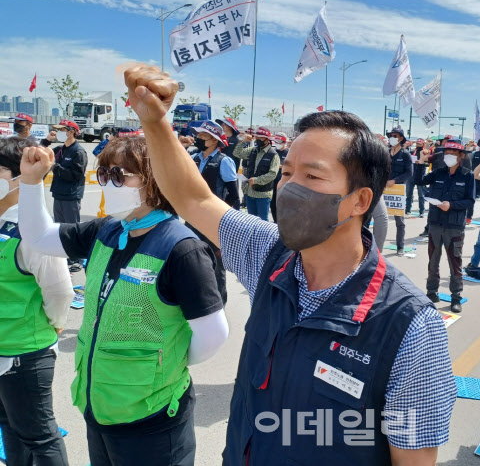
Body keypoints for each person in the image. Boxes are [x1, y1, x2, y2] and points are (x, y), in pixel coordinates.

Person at [123, 64, 456, 465]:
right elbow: (194, 199)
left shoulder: (409, 325)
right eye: (287, 173)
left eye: (312, 176)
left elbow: (414, 460)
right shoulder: (270, 254)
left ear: (360, 201)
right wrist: (156, 122)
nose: (290, 187)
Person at [18, 136, 229, 466]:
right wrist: (31, 184)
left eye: (119, 175)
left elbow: (213, 333)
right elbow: (40, 237)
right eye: (103, 175)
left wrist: (165, 363)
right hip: (100, 406)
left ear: (154, 177)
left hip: (152, 417)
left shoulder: (182, 249)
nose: (109, 184)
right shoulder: (108, 230)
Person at [0, 137, 73, 466]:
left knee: (40, 436)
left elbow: (59, 291)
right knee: (9, 427)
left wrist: (56, 324)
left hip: (24, 354)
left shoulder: (31, 232)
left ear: (19, 177)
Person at [414, 139, 475, 312]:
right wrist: (421, 161)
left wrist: (451, 205)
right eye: (446, 153)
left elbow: (469, 201)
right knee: (433, 261)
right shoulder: (438, 173)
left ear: (460, 156)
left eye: (453, 153)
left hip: (454, 226)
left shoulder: (467, 175)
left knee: (454, 262)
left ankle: (456, 297)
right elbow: (419, 181)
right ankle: (432, 292)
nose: (448, 156)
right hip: (435, 223)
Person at [190, 119, 239, 307]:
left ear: (214, 140)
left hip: (215, 221)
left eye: (203, 135)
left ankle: (218, 305)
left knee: (216, 265)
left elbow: (233, 196)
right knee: (194, 260)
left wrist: (227, 223)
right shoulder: (194, 158)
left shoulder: (224, 161)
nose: (198, 138)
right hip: (193, 218)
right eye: (198, 135)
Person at [46, 120, 88, 272]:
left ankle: (76, 260)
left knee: (72, 228)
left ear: (71, 132)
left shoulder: (79, 152)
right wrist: (46, 141)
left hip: (71, 195)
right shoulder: (59, 149)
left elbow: (75, 175)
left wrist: (55, 167)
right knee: (59, 227)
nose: (59, 133)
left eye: (62, 130)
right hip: (58, 193)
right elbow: (41, 150)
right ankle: (63, 256)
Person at [234, 127, 279, 221]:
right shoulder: (252, 150)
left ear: (267, 140)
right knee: (251, 220)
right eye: (257, 137)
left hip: (263, 194)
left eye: (261, 138)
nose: (258, 140)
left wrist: (256, 180)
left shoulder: (273, 155)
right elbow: (237, 153)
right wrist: (243, 141)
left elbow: (272, 174)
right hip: (250, 192)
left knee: (263, 221)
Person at [386, 127, 413, 256]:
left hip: (398, 190)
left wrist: (395, 181)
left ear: (401, 138)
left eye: (395, 135)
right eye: (391, 135)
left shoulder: (405, 154)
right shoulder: (385, 152)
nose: (392, 138)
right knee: (378, 217)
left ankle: (400, 246)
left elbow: (409, 173)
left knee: (399, 221)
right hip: (384, 190)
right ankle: (373, 245)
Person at [270, 132, 289, 222]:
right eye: (276, 141)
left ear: (284, 142)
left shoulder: (289, 153)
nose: (277, 143)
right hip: (273, 182)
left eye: (279, 141)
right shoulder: (273, 152)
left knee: (283, 205)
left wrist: (282, 166)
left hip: (285, 184)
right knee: (273, 204)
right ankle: (275, 222)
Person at [405, 138, 425, 217]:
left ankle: (422, 211)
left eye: (420, 144)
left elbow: (427, 161)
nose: (418, 145)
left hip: (420, 175)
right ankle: (408, 209)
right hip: (411, 175)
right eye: (417, 144)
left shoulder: (424, 152)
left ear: (423, 144)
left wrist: (421, 161)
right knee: (409, 194)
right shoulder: (412, 151)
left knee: (421, 195)